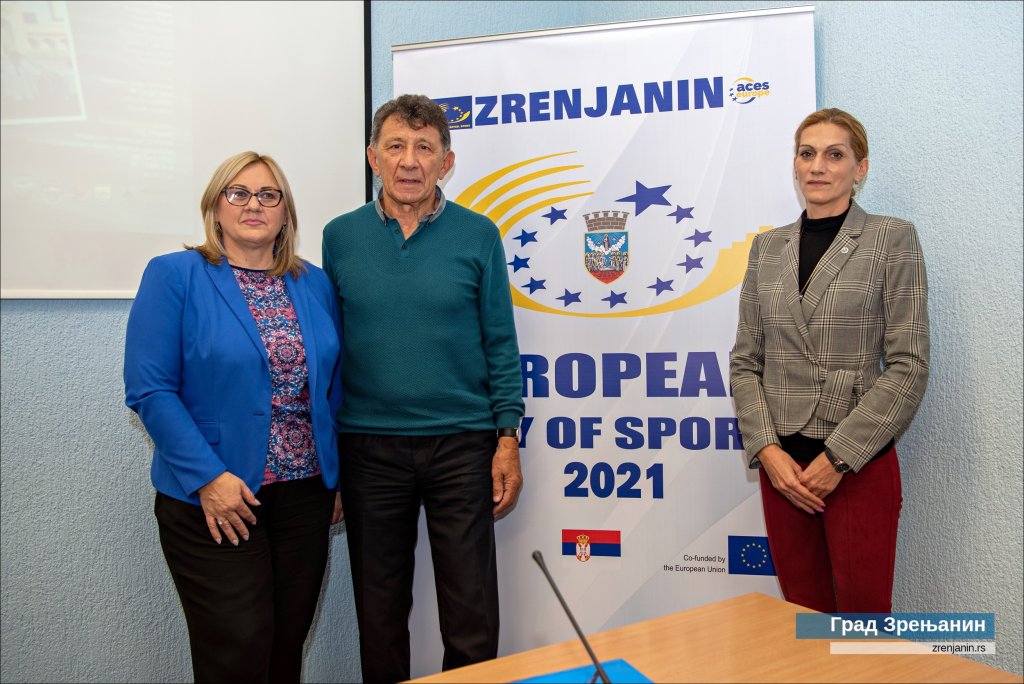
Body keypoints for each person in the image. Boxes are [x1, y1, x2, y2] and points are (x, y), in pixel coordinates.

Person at [321, 94, 524, 683]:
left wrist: (506, 438)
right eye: (395, 146)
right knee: (379, 611)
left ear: (446, 161)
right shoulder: (339, 238)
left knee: (470, 611)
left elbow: (500, 343)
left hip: (462, 445)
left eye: (424, 148)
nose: (409, 161)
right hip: (368, 449)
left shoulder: (479, 235)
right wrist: (328, 460)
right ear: (373, 158)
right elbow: (327, 352)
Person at [124, 151, 344, 683]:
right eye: (238, 193)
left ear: (285, 212)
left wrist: (337, 477)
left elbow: (332, 385)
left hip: (304, 497)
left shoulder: (314, 283)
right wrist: (208, 478)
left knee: (285, 646)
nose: (254, 205)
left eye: (269, 195)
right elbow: (150, 389)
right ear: (215, 207)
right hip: (216, 498)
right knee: (238, 648)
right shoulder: (175, 275)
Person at [729, 108, 929, 614]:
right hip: (783, 472)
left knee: (862, 626)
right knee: (801, 621)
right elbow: (746, 361)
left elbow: (909, 365)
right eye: (807, 153)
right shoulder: (766, 248)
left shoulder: (891, 239)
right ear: (795, 164)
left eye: (834, 154)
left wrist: (838, 458)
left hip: (856, 466)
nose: (817, 166)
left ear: (860, 169)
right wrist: (767, 451)